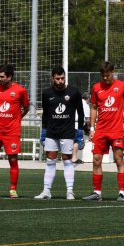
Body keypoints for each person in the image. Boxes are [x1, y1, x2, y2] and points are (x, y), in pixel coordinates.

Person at [82, 61, 124, 202]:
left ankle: (121, 193)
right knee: (96, 161)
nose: (105, 78)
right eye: (103, 75)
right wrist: (92, 128)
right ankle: (97, 193)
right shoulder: (96, 88)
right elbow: (94, 108)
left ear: (113, 72)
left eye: (107, 75)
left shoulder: (122, 86)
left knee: (119, 159)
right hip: (101, 131)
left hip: (116, 131)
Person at [35, 66, 84, 200]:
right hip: (51, 132)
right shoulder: (46, 93)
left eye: (62, 78)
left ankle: (69, 191)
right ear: (52, 78)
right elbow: (45, 113)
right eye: (57, 78)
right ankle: (46, 191)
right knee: (50, 160)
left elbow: (80, 112)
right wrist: (44, 130)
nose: (60, 81)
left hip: (67, 132)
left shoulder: (74, 92)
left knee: (67, 161)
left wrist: (79, 130)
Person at [0, 64, 29, 198]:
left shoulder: (20, 90)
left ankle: (13, 189)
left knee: (13, 159)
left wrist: (18, 118)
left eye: (2, 76)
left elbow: (26, 107)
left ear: (9, 77)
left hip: (12, 131)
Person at [72, 92, 91, 164]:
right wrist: (89, 129)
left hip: (71, 125)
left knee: (71, 142)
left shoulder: (76, 102)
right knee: (77, 142)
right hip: (77, 126)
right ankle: (74, 158)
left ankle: (71, 157)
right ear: (88, 98)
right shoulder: (86, 105)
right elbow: (86, 119)